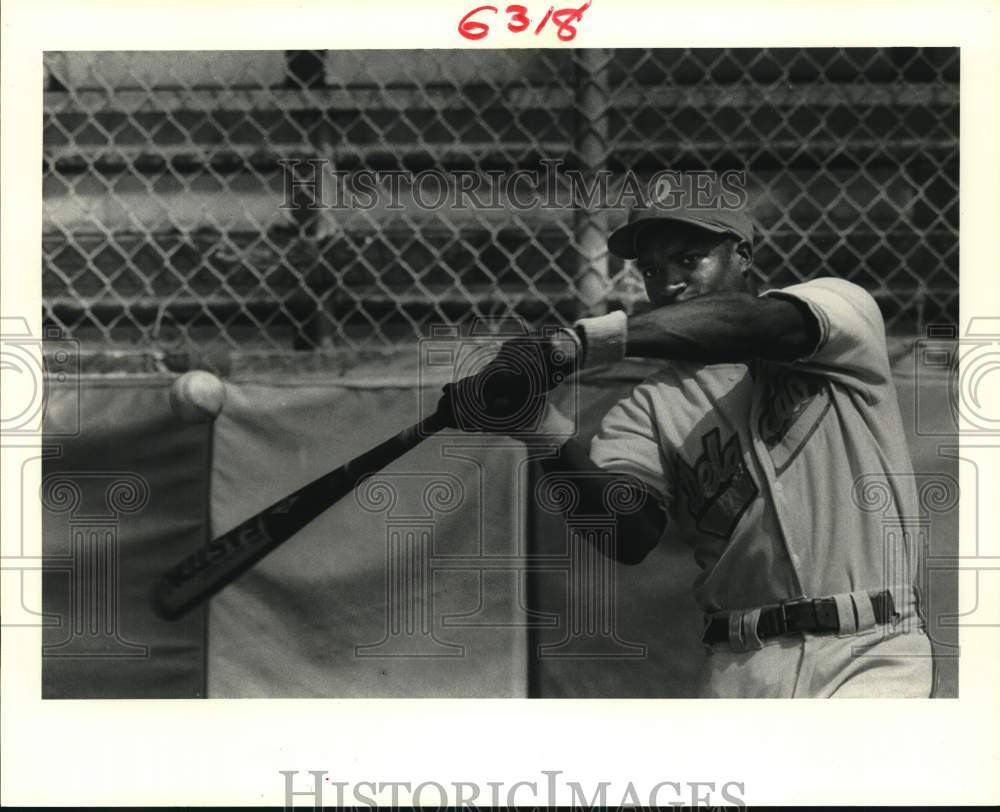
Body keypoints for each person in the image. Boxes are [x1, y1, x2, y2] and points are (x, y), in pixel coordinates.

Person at [439, 182, 933, 698]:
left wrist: (582, 343)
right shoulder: (649, 407)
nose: (669, 282)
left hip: (871, 650)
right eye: (653, 270)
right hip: (744, 666)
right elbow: (626, 535)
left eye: (688, 259)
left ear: (742, 256)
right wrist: (538, 426)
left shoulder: (831, 315)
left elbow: (750, 323)